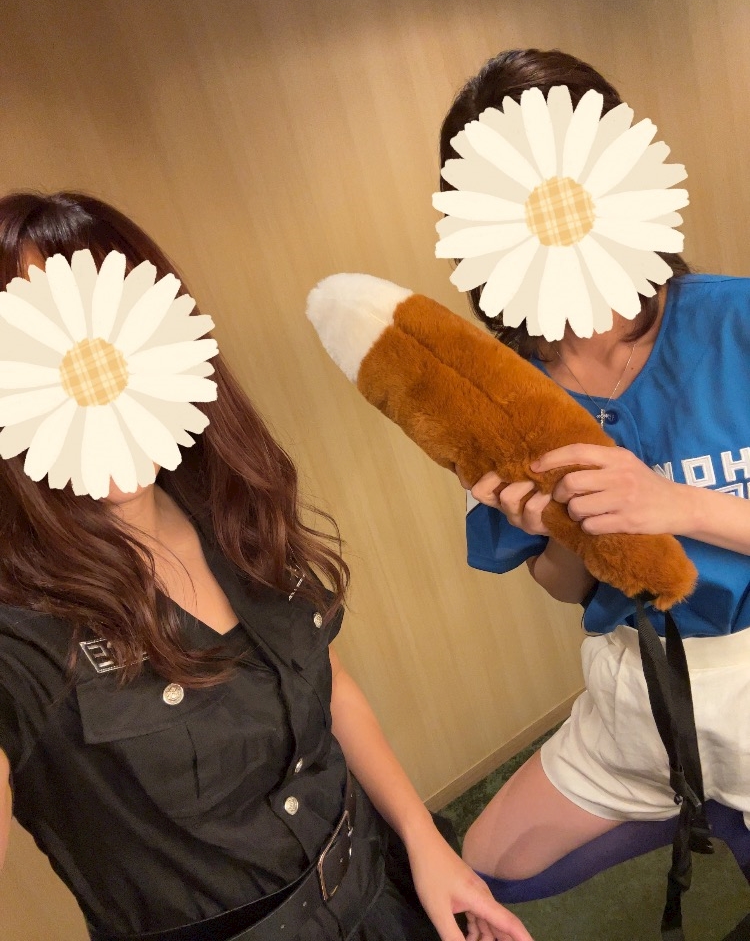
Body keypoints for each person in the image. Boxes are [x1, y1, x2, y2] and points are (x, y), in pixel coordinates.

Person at [0, 192, 534, 941]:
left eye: (111, 336)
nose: (93, 379)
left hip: (378, 886)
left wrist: (424, 841)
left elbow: (327, 682)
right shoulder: (19, 628)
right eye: (45, 354)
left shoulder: (227, 511)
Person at [437, 49, 750, 883]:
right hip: (637, 691)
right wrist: (560, 531)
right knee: (484, 872)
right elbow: (564, 586)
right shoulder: (502, 395)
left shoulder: (736, 321)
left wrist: (678, 505)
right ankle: (700, 799)